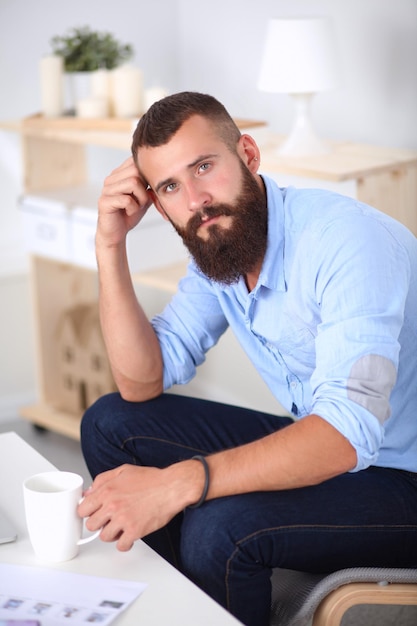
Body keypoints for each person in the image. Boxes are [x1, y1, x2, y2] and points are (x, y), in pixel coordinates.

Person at [78, 91, 417, 626]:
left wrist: (181, 481)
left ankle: (212, 577)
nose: (196, 199)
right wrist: (108, 245)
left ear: (249, 155)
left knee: (220, 529)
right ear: (157, 202)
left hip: (402, 476)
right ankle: (191, 606)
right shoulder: (221, 251)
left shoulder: (346, 242)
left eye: (204, 167)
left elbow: (347, 433)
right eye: (170, 186)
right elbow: (143, 381)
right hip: (336, 451)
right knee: (110, 422)